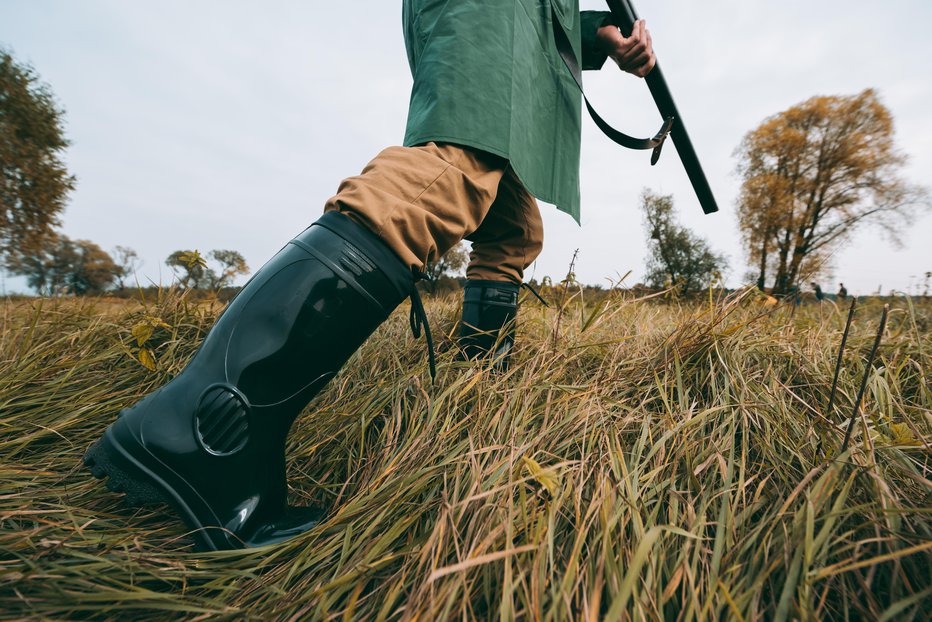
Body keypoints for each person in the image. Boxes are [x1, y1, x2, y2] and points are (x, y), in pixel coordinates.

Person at [84, 2, 657, 550]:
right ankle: (199, 427)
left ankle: (479, 390)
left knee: (512, 229)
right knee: (454, 172)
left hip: (521, 30)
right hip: (493, 14)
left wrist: (604, 33)